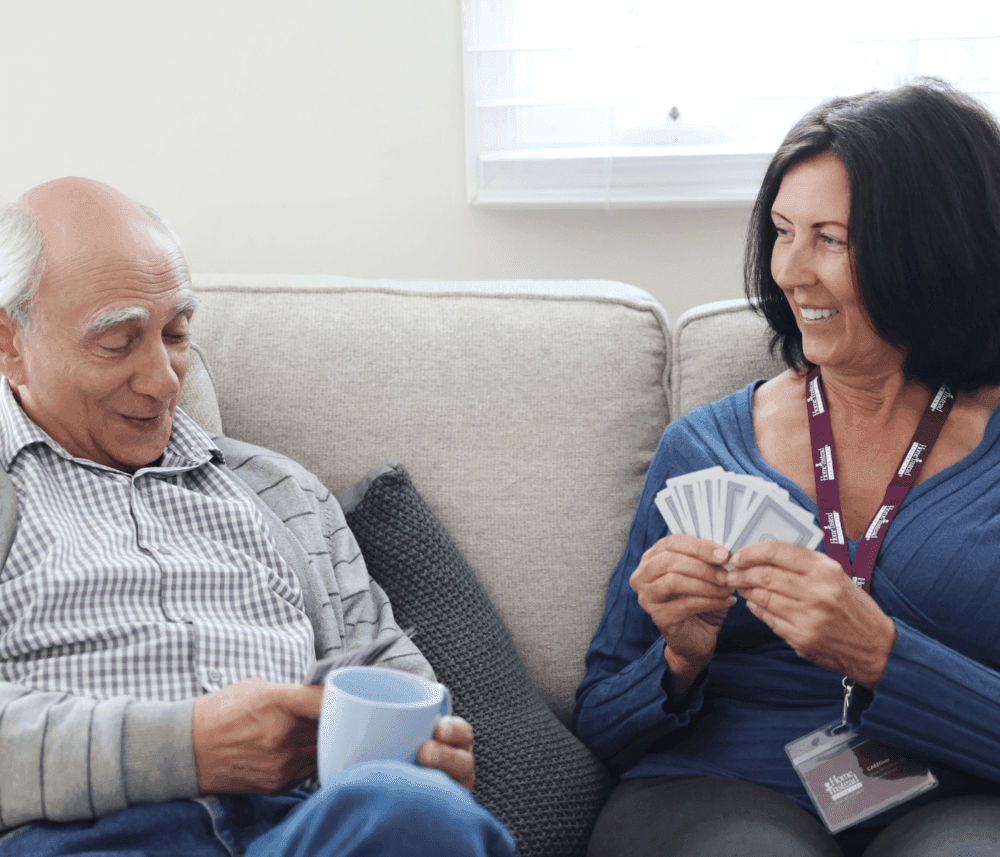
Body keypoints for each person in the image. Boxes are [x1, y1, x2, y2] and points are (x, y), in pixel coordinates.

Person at [0, 177, 518, 856]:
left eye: (176, 333)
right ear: (10, 342)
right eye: (118, 342)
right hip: (87, 838)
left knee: (420, 814)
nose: (163, 380)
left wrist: (426, 749)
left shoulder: (283, 493)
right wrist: (187, 747)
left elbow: (388, 669)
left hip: (304, 830)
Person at [574, 78, 1000, 857]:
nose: (791, 271)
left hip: (961, 790)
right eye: (781, 231)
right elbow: (599, 717)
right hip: (718, 789)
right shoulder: (702, 446)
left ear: (932, 249)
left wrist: (884, 655)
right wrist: (680, 656)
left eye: (831, 239)